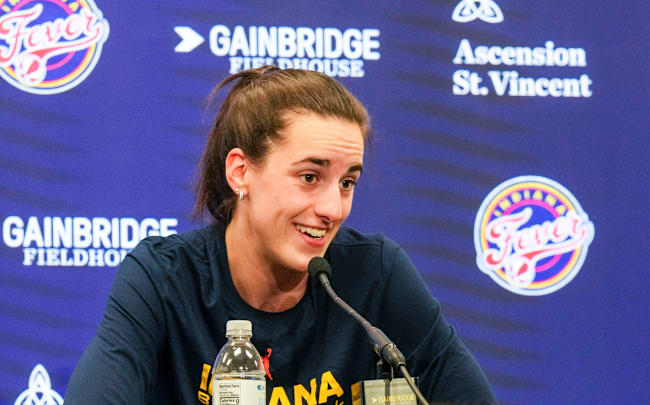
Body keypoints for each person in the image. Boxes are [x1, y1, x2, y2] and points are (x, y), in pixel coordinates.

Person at [65, 66, 498, 405]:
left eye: (347, 183)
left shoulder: (375, 273)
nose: (333, 209)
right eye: (309, 177)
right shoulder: (164, 278)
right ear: (241, 172)